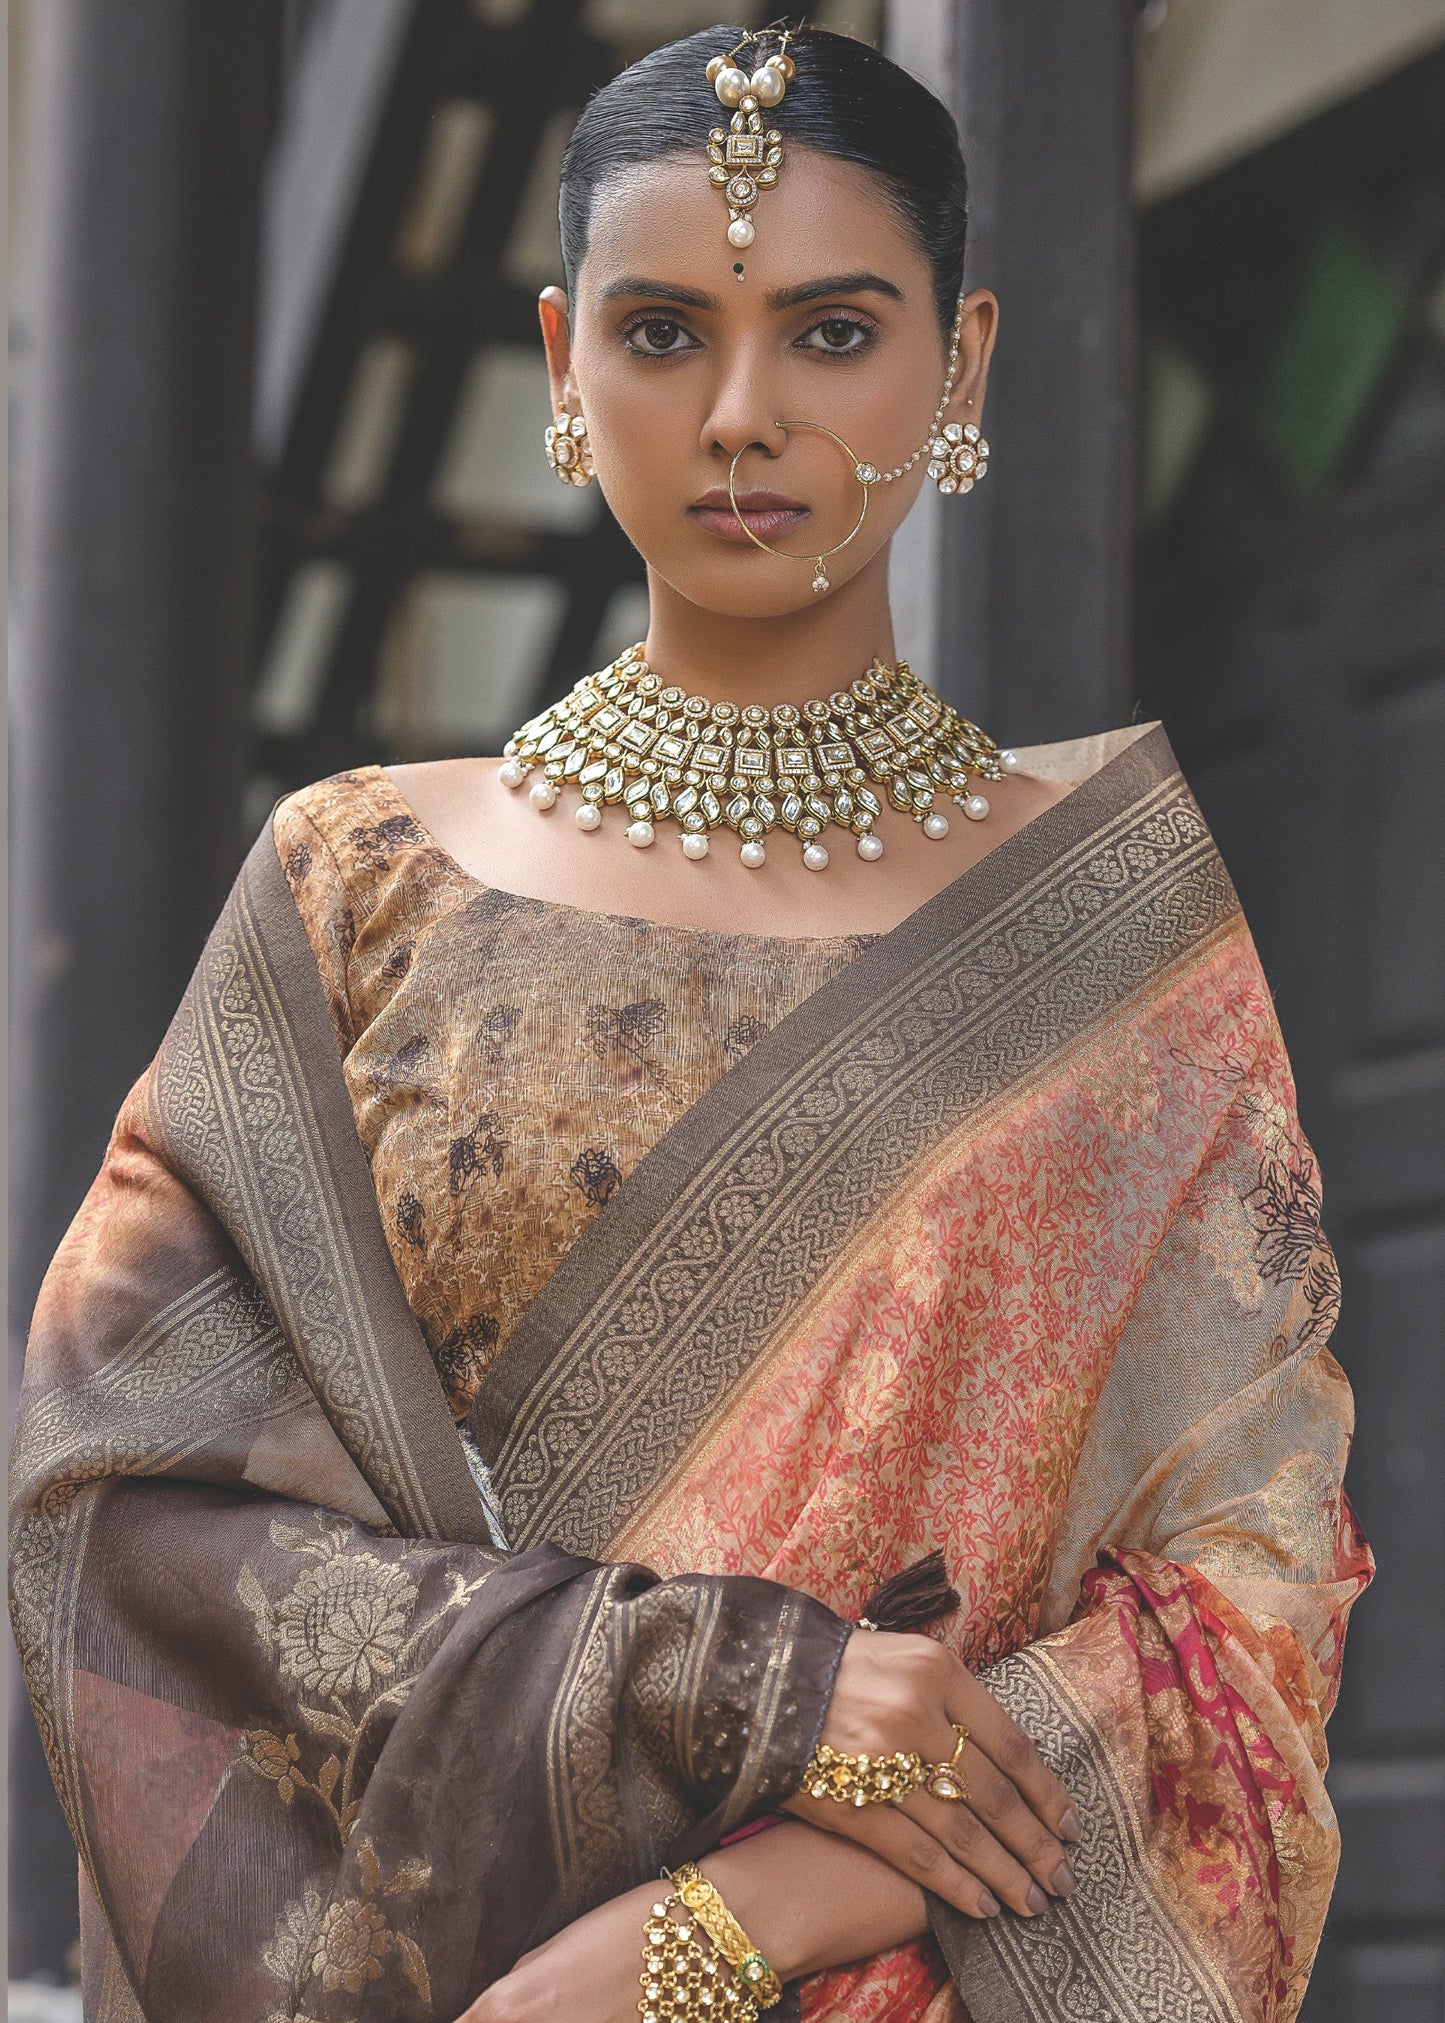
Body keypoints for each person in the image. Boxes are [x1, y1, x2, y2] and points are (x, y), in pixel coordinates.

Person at [10, 23, 1371, 2023]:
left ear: (963, 362)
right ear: (564, 365)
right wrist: (744, 1693)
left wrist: (719, 1930)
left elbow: (1249, 1591)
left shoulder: (1120, 933)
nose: (743, 416)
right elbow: (127, 1508)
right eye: (662, 333)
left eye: (834, 332)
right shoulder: (356, 887)